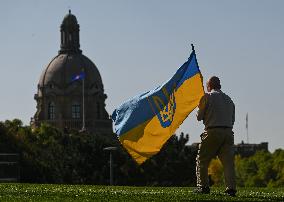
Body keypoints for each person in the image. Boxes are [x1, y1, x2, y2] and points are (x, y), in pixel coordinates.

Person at [195, 76, 236, 196]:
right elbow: (232, 119)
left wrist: (199, 106)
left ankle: (203, 187)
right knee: (228, 163)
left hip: (212, 131)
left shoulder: (207, 97)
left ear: (209, 86)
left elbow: (199, 117)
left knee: (202, 160)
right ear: (220, 86)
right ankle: (231, 188)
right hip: (228, 132)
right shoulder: (229, 100)